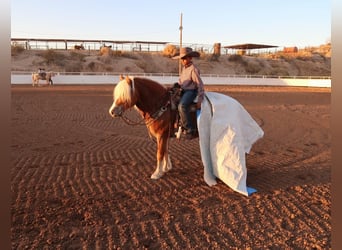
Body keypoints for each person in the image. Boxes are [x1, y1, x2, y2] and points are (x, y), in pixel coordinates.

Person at [173, 47, 205, 139]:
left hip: (191, 91)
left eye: (184, 58)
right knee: (171, 101)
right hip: (183, 90)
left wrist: (200, 99)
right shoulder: (184, 69)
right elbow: (181, 81)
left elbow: (200, 84)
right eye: (182, 58)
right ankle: (177, 124)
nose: (182, 60)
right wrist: (176, 86)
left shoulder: (193, 69)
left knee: (182, 106)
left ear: (190, 58)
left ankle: (190, 129)